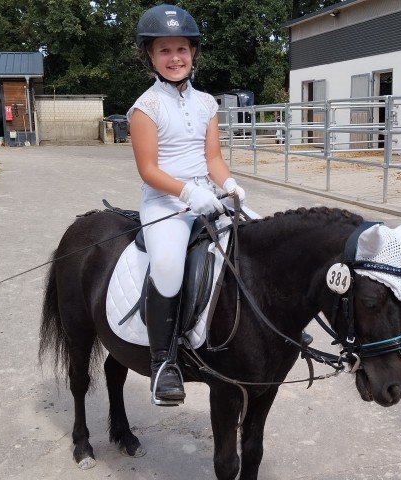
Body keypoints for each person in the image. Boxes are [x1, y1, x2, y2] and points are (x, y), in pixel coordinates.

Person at [127, 4, 246, 406]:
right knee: (167, 263)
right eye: (164, 50)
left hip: (206, 197)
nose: (174, 58)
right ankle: (164, 362)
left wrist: (227, 183)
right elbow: (148, 170)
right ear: (150, 56)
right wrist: (187, 193)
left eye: (181, 49)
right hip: (165, 203)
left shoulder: (208, 104)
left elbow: (212, 159)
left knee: (260, 236)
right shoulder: (145, 108)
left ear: (193, 53)